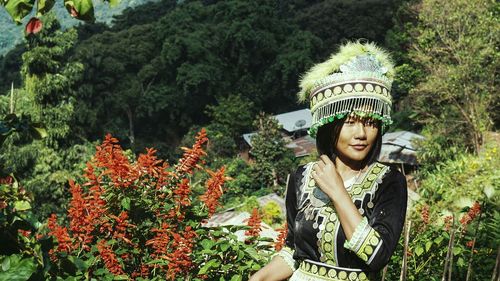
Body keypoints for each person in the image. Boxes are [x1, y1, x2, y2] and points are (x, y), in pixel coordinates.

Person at [250, 41, 408, 281]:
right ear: (330, 124)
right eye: (350, 122)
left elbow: (378, 255)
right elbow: (294, 251)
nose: (361, 134)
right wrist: (258, 279)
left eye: (371, 122)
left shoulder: (388, 181)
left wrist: (338, 192)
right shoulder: (301, 178)